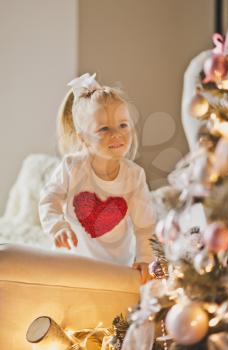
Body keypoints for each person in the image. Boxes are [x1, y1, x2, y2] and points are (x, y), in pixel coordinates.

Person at [39, 73, 157, 284]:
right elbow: (49, 199)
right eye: (104, 129)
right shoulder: (72, 167)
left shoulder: (134, 176)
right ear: (83, 138)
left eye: (123, 125)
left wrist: (145, 259)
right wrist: (59, 227)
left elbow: (145, 225)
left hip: (115, 269)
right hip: (72, 264)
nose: (117, 134)